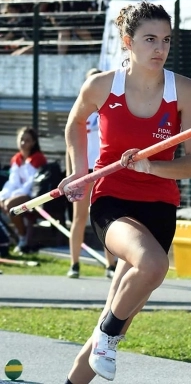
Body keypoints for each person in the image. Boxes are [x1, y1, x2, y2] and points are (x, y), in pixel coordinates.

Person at [58, 1, 191, 383]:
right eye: (150, 39)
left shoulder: (186, 92)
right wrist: (80, 173)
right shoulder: (102, 86)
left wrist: (152, 165)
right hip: (113, 201)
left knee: (114, 321)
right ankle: (108, 334)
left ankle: (78, 372)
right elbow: (75, 124)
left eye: (166, 41)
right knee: (154, 267)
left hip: (161, 207)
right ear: (128, 41)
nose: (159, 48)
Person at [66, 68, 117, 280]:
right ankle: (74, 263)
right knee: (79, 217)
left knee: (108, 217)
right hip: (83, 170)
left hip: (104, 168)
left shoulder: (110, 108)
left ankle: (110, 264)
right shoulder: (80, 111)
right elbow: (70, 144)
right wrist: (71, 174)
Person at [0, 126, 47, 253]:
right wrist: (4, 196)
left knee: (11, 206)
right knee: (3, 202)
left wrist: (11, 198)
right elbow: (13, 181)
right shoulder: (16, 158)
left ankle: (22, 238)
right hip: (17, 193)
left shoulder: (38, 158)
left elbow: (31, 183)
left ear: (33, 142)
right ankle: (8, 239)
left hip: (32, 194)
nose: (23, 143)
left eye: (27, 140)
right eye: (21, 139)